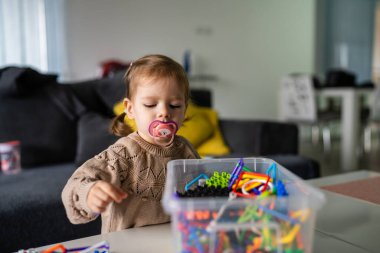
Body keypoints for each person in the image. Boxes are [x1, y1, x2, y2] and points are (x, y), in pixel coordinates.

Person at [62, 54, 200, 233]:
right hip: (128, 244)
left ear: (185, 110)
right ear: (130, 109)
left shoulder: (186, 150)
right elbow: (75, 185)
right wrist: (90, 193)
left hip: (175, 239)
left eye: (174, 105)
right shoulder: (122, 154)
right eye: (150, 105)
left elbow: (202, 190)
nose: (164, 113)